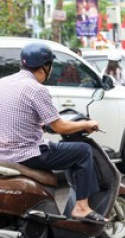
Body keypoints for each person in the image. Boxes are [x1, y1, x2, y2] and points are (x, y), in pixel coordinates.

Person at [0, 42, 105, 223]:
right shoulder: (36, 89)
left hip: (3, 154)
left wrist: (39, 125)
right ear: (45, 66)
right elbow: (60, 127)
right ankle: (81, 207)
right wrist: (86, 124)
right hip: (27, 154)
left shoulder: (3, 83)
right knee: (82, 152)